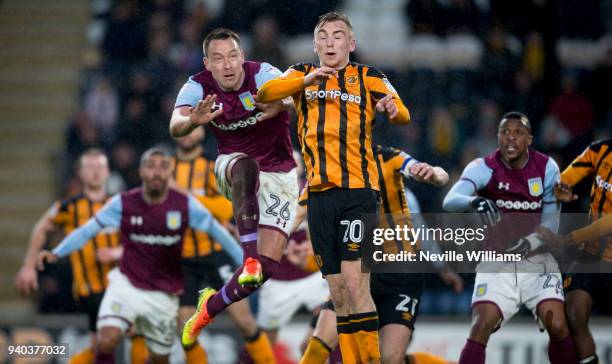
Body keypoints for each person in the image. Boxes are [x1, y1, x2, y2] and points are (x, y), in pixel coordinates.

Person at [257, 12, 410, 363]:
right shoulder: (299, 73)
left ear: (351, 44)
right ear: (314, 44)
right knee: (339, 293)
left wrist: (391, 108)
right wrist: (306, 79)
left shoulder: (369, 76)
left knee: (356, 285)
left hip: (358, 192)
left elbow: (403, 113)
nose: (329, 42)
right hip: (319, 196)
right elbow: (266, 92)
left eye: (337, 35)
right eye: (322, 36)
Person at [37, 147, 242, 364]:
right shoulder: (124, 203)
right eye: (150, 166)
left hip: (163, 293)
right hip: (126, 286)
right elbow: (87, 230)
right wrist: (57, 253)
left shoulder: (184, 205)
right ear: (141, 172)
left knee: (159, 357)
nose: (156, 172)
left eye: (163, 167)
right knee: (106, 340)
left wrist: (245, 261)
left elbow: (219, 234)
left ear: (170, 173)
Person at [169, 27, 299, 350]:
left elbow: (297, 99)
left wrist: (282, 105)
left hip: (281, 175)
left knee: (264, 271)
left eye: (231, 56)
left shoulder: (264, 74)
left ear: (242, 56)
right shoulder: (197, 86)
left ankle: (208, 308)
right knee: (246, 168)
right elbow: (175, 126)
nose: (226, 65)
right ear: (207, 63)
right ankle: (249, 256)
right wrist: (192, 122)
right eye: (217, 58)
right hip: (232, 165)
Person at [300, 145, 457, 364]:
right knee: (314, 344)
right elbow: (302, 207)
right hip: (359, 273)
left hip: (401, 274)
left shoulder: (389, 158)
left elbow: (438, 175)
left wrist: (435, 175)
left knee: (390, 358)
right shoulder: (328, 167)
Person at [442, 112, 577, 364]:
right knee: (481, 325)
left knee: (558, 324)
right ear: (498, 138)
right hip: (496, 260)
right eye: (505, 132)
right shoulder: (483, 167)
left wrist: (530, 242)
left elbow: (551, 223)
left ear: (530, 139)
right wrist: (475, 200)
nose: (511, 138)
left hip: (537, 260)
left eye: (518, 132)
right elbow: (449, 200)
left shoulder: (547, 167)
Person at [14, 149, 148, 364]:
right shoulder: (69, 206)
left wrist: (117, 252)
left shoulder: (120, 205)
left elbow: (142, 239)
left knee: (105, 344)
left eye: (100, 167)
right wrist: (29, 266)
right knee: (131, 333)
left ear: (107, 173)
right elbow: (41, 227)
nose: (95, 172)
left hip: (121, 285)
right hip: (90, 288)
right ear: (80, 174)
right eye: (90, 167)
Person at [172, 126, 275, 363]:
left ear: (200, 133)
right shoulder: (167, 168)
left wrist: (186, 197)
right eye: (185, 127)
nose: (188, 134)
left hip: (217, 253)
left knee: (245, 322)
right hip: (184, 259)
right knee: (185, 329)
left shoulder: (213, 165)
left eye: (194, 128)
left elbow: (228, 205)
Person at [541, 139, 612, 364]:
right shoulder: (600, 150)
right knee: (572, 312)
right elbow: (565, 178)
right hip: (591, 253)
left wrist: (568, 240)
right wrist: (560, 190)